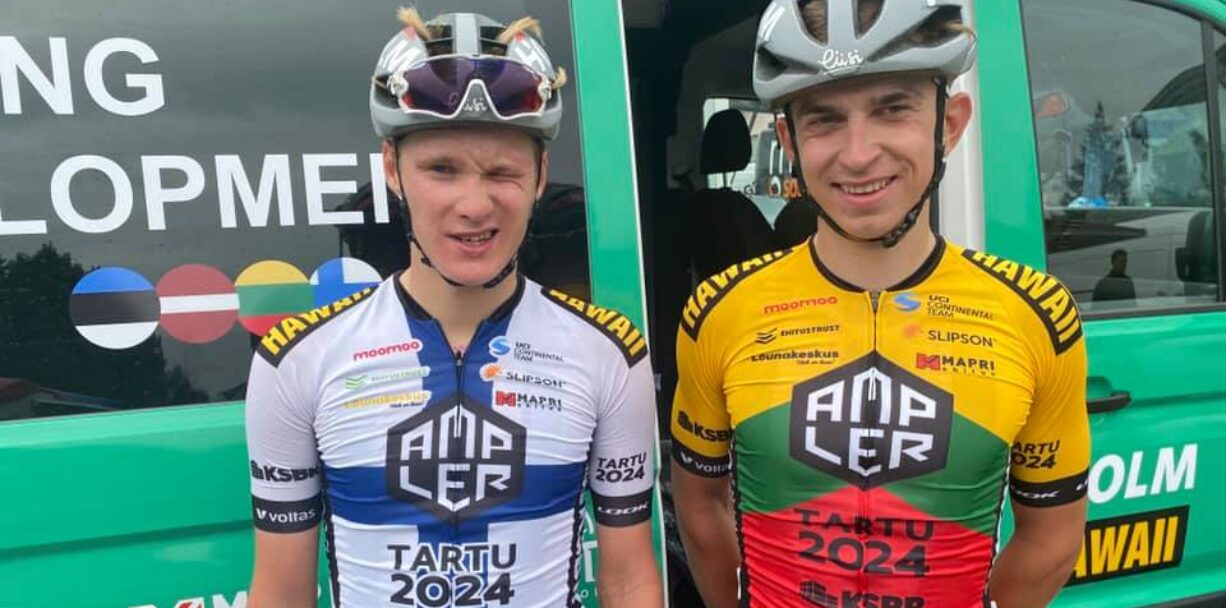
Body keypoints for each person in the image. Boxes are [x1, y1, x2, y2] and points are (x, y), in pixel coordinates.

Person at [669, 2, 1090, 607]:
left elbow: (1051, 537)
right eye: (824, 120)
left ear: (949, 124)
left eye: (893, 109)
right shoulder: (719, 309)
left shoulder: (1037, 313)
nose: (858, 154)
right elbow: (699, 505)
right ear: (789, 141)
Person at [244, 9, 662, 607]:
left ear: (540, 176)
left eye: (503, 172)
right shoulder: (296, 358)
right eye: (441, 169)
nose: (474, 204)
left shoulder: (610, 352)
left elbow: (628, 581)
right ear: (393, 169)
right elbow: (282, 594)